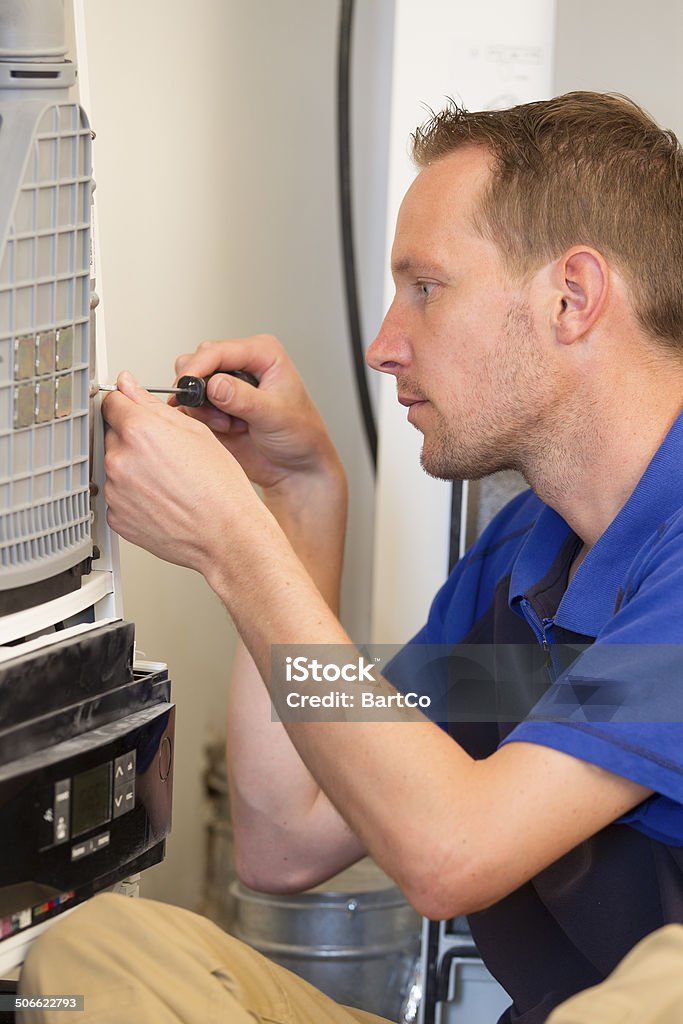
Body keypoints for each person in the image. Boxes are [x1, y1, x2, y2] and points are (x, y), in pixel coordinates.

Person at [19, 92, 683, 1023]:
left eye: (426, 287)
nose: (383, 346)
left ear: (571, 296)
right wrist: (299, 503)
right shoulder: (527, 559)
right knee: (104, 950)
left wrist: (234, 547)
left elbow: (449, 855)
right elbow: (286, 839)